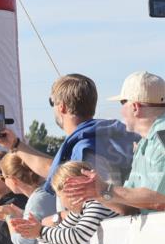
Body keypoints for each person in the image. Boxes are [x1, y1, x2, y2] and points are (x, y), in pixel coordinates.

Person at [0, 73, 139, 218]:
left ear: (61, 107)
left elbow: (99, 207)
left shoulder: (86, 147)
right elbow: (54, 169)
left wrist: (55, 220)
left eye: (52, 103)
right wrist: (15, 145)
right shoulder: (106, 135)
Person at [61, 70, 165, 214]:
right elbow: (130, 207)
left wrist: (105, 189)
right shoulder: (146, 143)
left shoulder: (160, 138)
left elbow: (158, 200)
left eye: (122, 103)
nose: (121, 111)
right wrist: (99, 194)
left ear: (135, 107)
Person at [10, 161, 118, 244]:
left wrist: (41, 231)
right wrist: (37, 231)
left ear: (70, 190)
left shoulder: (97, 203)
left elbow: (77, 236)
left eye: (59, 195)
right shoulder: (80, 211)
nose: (61, 201)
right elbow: (61, 229)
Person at [0, 153, 52, 244]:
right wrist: (19, 215)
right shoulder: (37, 197)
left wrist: (9, 217)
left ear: (14, 180)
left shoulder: (33, 200)